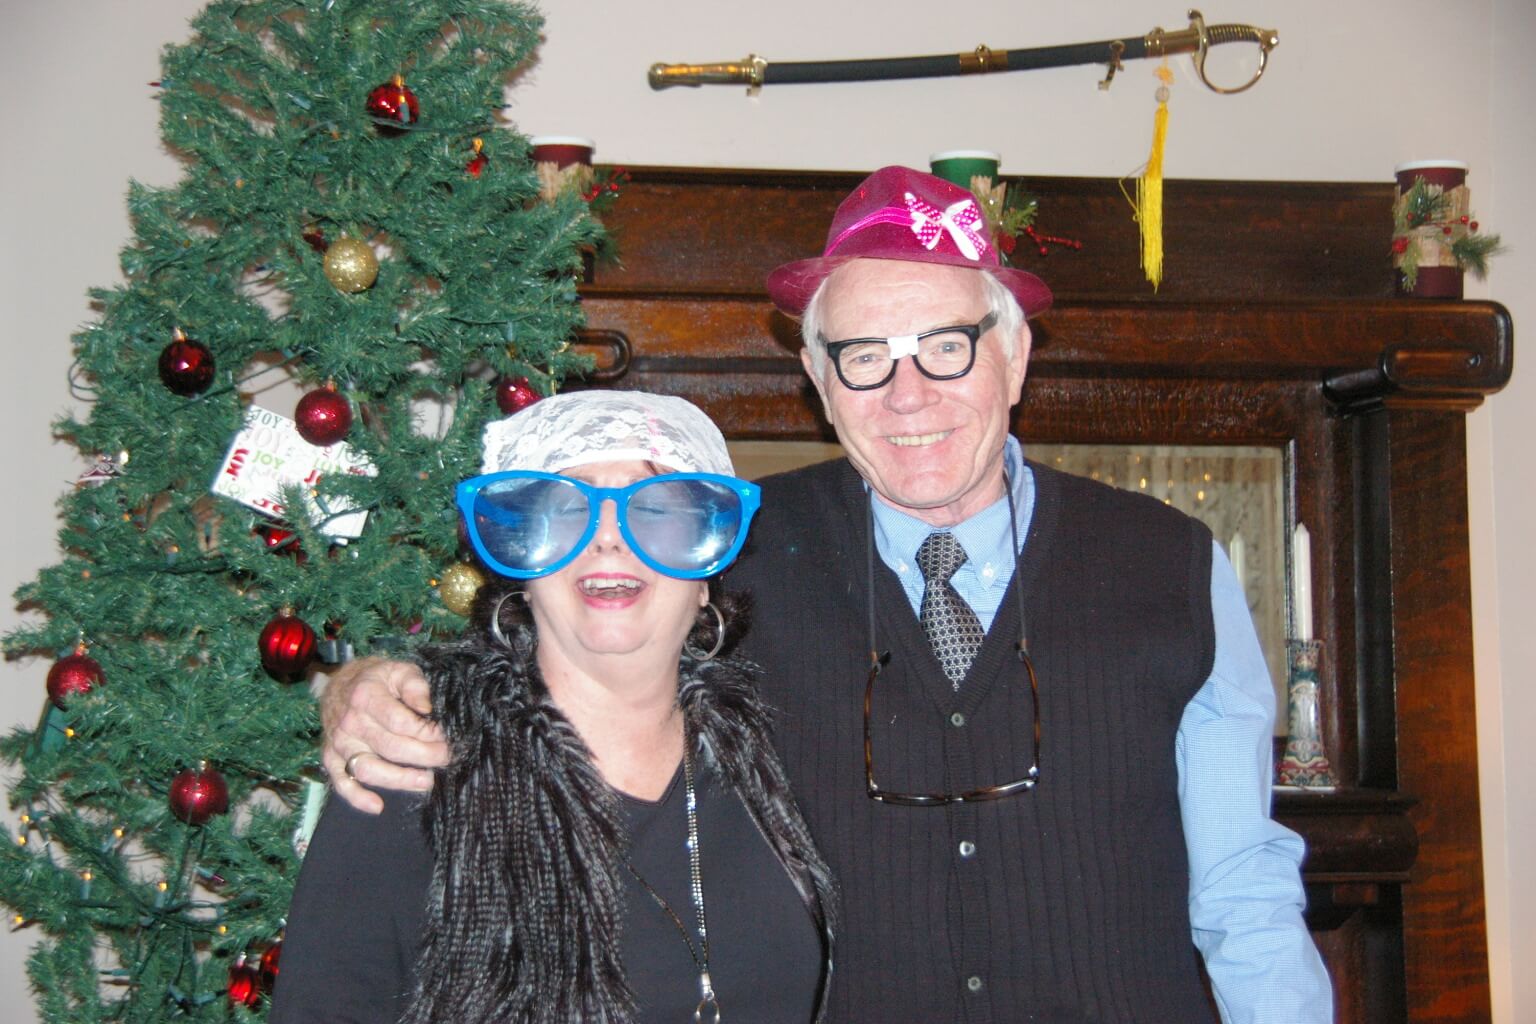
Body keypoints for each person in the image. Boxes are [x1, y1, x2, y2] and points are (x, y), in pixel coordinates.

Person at [321, 166, 1332, 1023]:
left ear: (1014, 353)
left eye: (947, 346)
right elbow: (555, 643)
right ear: (816, 378)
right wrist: (370, 682)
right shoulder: (726, 550)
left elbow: (1243, 888)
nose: (908, 395)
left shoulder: (1172, 562)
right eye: (863, 358)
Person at [272, 391, 835, 1024]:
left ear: (707, 569)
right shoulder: (412, 767)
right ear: (523, 570)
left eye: (656, 509)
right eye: (566, 509)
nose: (609, 537)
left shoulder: (774, 748)